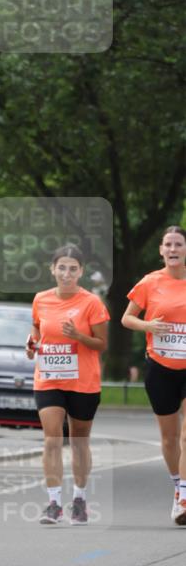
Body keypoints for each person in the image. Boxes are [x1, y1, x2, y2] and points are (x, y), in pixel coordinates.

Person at [26, 245, 110, 525]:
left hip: (83, 381)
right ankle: (53, 503)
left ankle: (80, 499)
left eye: (73, 268)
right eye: (61, 267)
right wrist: (32, 343)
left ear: (81, 272)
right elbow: (38, 329)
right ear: (53, 269)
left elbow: (101, 343)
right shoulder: (41, 299)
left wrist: (78, 336)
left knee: (79, 441)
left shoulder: (92, 303)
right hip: (49, 377)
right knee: (52, 438)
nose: (66, 273)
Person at [122, 225, 186, 526]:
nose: (173, 249)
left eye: (179, 244)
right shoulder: (150, 282)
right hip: (160, 369)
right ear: (161, 250)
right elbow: (127, 318)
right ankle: (178, 487)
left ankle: (184, 497)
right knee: (169, 438)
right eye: (168, 244)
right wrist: (148, 327)